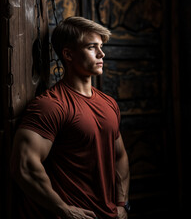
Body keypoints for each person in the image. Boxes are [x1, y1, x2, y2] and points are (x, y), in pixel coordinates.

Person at [11, 17, 130, 219]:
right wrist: (62, 209)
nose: (102, 54)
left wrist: (122, 204)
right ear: (68, 54)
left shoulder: (109, 104)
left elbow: (119, 157)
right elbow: (25, 166)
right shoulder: (50, 106)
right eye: (92, 47)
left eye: (101, 46)